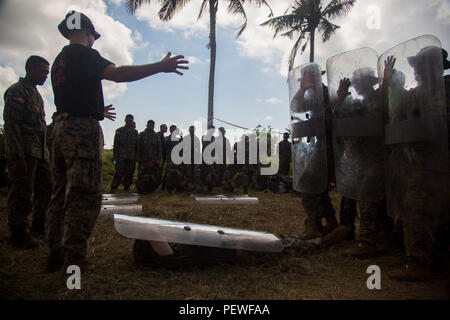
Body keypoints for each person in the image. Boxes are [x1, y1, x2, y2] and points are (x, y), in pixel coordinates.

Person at [46, 10, 188, 272]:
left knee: (59, 193)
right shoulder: (84, 54)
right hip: (81, 132)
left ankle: (55, 251)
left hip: (60, 129)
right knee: (84, 194)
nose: (94, 41)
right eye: (93, 36)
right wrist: (159, 66)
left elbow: (73, 95)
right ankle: (74, 257)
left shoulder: (59, 61)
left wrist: (98, 111)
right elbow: (118, 73)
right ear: (87, 32)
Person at [382, 45, 449, 281]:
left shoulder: (445, 88)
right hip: (419, 164)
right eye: (416, 64)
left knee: (421, 209)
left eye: (423, 63)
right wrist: (391, 84)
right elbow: (399, 109)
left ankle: (420, 263)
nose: (418, 69)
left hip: (436, 164)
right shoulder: (417, 93)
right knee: (416, 208)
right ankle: (419, 260)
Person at [3, 55, 52, 248]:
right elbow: (11, 126)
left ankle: (39, 226)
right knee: (22, 193)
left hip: (40, 153)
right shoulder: (17, 91)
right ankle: (18, 233)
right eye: (43, 72)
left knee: (46, 189)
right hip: (24, 153)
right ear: (30, 69)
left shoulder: (36, 94)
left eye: (47, 73)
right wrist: (17, 157)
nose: (46, 76)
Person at [110, 114, 139, 193]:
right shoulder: (119, 131)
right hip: (121, 156)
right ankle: (114, 187)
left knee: (129, 173)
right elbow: (116, 145)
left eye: (131, 120)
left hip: (131, 156)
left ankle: (127, 187)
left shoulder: (135, 132)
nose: (129, 122)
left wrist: (136, 156)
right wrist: (115, 156)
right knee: (118, 172)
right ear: (125, 120)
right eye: (128, 120)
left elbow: (137, 145)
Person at [136, 120, 163, 193]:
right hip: (143, 160)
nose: (151, 127)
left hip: (154, 160)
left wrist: (158, 159)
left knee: (154, 175)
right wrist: (137, 156)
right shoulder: (141, 134)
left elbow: (159, 148)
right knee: (142, 175)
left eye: (152, 125)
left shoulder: (156, 136)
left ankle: (151, 188)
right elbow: (138, 146)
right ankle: (141, 187)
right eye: (150, 125)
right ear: (147, 125)